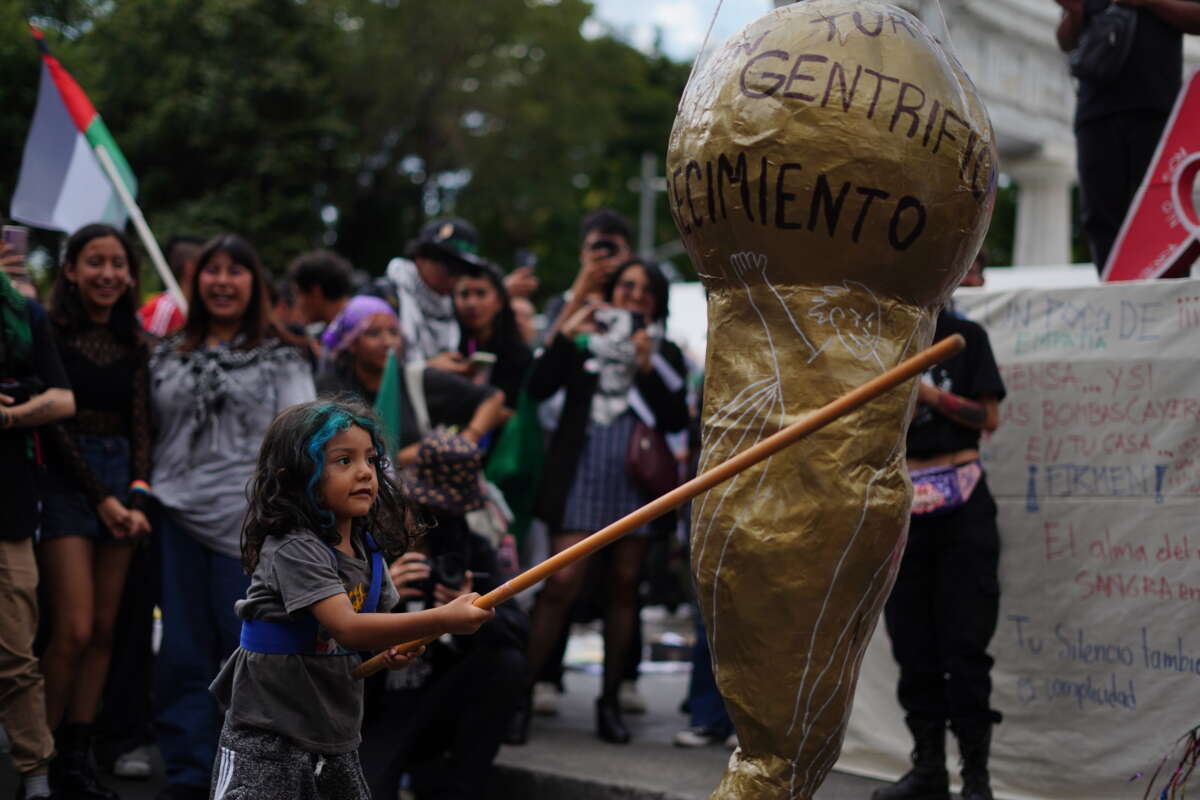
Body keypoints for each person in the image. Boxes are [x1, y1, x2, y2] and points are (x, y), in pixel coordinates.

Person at [208, 400, 493, 800]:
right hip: (267, 733)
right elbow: (348, 627)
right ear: (294, 477)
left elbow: (374, 627)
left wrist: (393, 648)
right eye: (344, 460)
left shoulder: (368, 550)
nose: (365, 472)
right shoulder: (294, 547)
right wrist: (442, 618)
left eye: (371, 460)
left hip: (333, 732)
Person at [149, 233, 316, 800]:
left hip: (250, 526)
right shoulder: (166, 353)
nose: (222, 280)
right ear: (196, 282)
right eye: (212, 270)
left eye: (235, 270)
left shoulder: (284, 357)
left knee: (242, 654)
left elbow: (301, 440)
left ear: (256, 284)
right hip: (174, 519)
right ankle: (187, 773)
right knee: (181, 652)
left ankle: (241, 774)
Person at [512, 258, 688, 744]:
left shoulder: (665, 351)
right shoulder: (586, 337)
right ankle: (520, 695)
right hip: (582, 472)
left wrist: (648, 364)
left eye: (645, 289)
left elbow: (676, 421)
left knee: (625, 585)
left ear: (656, 302)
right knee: (561, 580)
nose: (634, 295)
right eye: (626, 286)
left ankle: (609, 702)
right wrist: (568, 334)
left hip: (635, 479)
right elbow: (538, 386)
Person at [872, 293, 1006, 800]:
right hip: (903, 504)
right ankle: (928, 768)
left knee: (965, 644)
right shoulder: (879, 341)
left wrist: (929, 397)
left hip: (962, 497)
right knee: (912, 644)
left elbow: (987, 417)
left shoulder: (965, 336)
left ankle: (976, 778)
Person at [38, 224, 152, 800]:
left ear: (130, 275)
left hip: (120, 491)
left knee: (106, 630)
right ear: (71, 270)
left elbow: (141, 428)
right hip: (64, 483)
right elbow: (56, 427)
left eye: (117, 263)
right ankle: (41, 759)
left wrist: (134, 495)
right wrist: (101, 498)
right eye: (94, 262)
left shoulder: (136, 342)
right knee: (74, 629)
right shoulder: (50, 333)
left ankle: (77, 761)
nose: (107, 273)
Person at [359, 430, 528, 800]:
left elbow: (518, 630)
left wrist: (473, 613)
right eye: (422, 509)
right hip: (377, 703)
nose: (430, 522)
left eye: (445, 513)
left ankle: (460, 784)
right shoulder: (365, 544)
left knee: (506, 662)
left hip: (438, 695)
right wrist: (382, 593)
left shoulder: (468, 548)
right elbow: (332, 629)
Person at [0, 263, 75, 800]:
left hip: (10, 506)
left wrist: (13, 410)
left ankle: (34, 771)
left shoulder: (24, 316)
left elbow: (62, 398)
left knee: (16, 649)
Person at [1056, 0, 1200, 273]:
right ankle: (1113, 286)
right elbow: (1066, 41)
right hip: (1095, 109)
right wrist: (1074, 12)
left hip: (1154, 107)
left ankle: (1165, 288)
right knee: (1099, 215)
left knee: (1159, 209)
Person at [315, 295, 507, 464]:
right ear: (352, 343)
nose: (388, 342)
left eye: (394, 332)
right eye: (373, 334)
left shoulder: (415, 378)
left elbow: (492, 398)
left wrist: (468, 438)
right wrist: (404, 457)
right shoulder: (331, 387)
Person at [372, 217, 489, 372]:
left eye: (463, 269)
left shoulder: (452, 309)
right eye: (450, 266)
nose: (456, 276)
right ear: (420, 257)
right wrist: (427, 371)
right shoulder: (383, 298)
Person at [541, 208, 633, 338]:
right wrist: (579, 294)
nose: (603, 255)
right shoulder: (560, 303)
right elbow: (547, 351)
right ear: (582, 253)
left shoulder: (637, 300)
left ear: (628, 255)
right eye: (596, 247)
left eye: (612, 249)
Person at [454, 263, 533, 405]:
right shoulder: (448, 347)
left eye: (481, 293)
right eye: (464, 294)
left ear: (499, 301)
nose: (472, 303)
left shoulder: (518, 355)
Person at [139, 235, 204, 336]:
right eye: (205, 264)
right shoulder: (164, 308)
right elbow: (150, 347)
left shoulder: (202, 306)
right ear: (190, 267)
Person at [288, 249, 354, 331]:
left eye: (298, 294)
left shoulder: (360, 329)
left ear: (316, 293)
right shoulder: (337, 330)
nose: (297, 304)